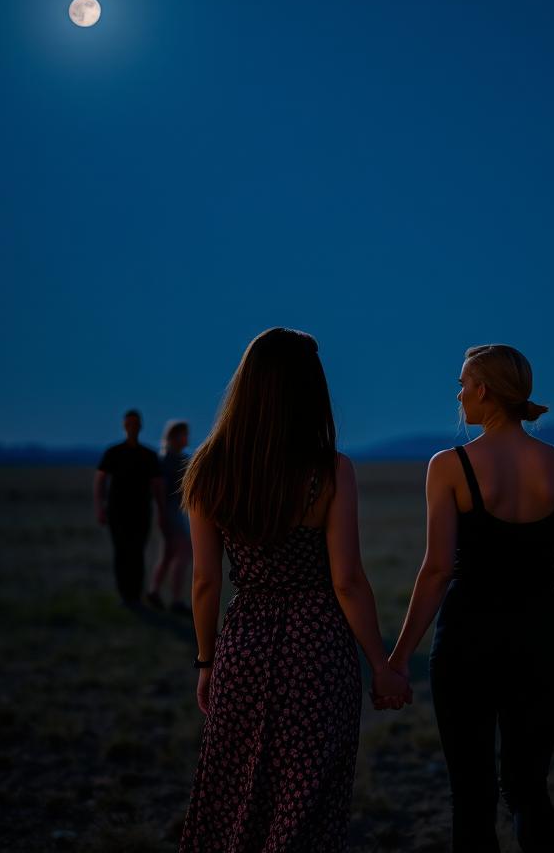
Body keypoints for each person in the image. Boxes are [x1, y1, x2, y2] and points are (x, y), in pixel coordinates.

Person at [178, 328, 411, 853]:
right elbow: (347, 580)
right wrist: (381, 664)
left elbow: (205, 581)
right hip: (318, 650)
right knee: (306, 803)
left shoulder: (209, 468)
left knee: (232, 796)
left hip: (244, 646)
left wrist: (207, 662)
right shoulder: (328, 472)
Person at [386, 344, 554, 853]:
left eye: (462, 384)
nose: (458, 395)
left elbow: (436, 569)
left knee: (472, 795)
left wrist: (397, 659)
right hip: (542, 635)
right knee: (529, 788)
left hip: (468, 638)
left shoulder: (450, 466)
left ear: (483, 390)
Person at [94, 410, 165, 608]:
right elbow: (100, 480)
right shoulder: (113, 453)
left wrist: (161, 511)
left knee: (137, 552)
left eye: (135, 423)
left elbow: (157, 485)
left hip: (141, 511)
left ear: (140, 426)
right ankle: (124, 594)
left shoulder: (149, 455)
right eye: (129, 423)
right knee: (121, 552)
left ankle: (135, 594)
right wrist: (100, 506)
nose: (132, 427)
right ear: (124, 426)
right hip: (117, 511)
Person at [146, 419, 193, 614]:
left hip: (175, 511)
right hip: (171, 511)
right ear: (173, 436)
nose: (186, 438)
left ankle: (155, 592)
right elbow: (160, 489)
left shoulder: (180, 458)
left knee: (169, 554)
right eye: (183, 434)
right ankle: (175, 599)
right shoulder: (166, 460)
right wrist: (162, 514)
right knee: (183, 552)